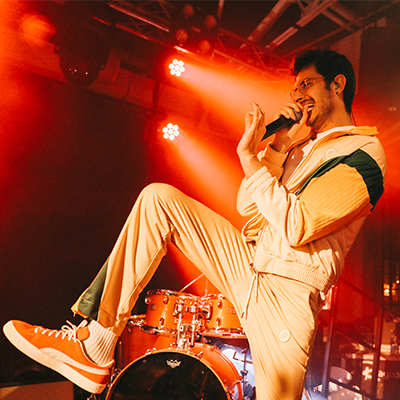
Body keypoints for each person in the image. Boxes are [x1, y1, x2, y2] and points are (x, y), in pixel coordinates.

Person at [3, 48, 386, 400]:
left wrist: (249, 160)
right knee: (159, 199)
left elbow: (299, 225)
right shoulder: (302, 148)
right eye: (295, 86)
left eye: (307, 84)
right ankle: (96, 344)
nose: (297, 95)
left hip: (288, 292)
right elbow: (248, 209)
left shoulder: (364, 152)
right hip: (250, 262)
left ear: (338, 84)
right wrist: (277, 148)